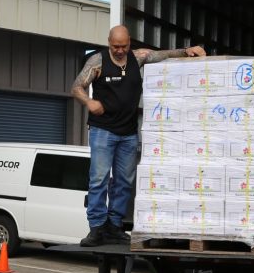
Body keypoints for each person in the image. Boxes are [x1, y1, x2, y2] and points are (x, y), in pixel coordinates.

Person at [71, 25, 206, 246]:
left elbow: (162, 55)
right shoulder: (98, 61)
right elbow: (77, 87)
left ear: (129, 43)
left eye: (123, 46)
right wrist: (89, 101)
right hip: (102, 131)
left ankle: (114, 225)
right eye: (115, 46)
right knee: (99, 180)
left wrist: (186, 51)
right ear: (109, 43)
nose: (119, 50)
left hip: (128, 132)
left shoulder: (138, 58)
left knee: (125, 181)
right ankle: (96, 228)